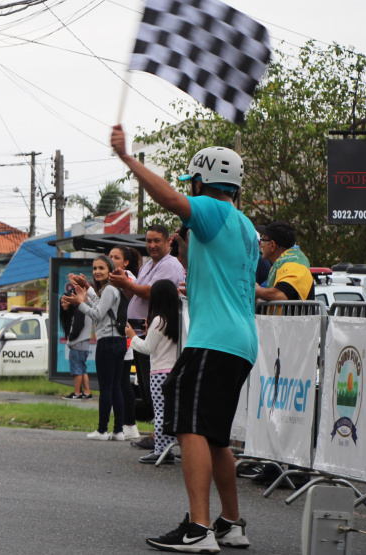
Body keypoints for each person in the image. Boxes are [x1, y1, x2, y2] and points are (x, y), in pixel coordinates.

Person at [112, 125, 257, 552]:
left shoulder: (213, 210)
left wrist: (129, 160)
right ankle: (230, 523)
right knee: (214, 435)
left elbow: (171, 199)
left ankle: (199, 528)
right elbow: (209, 278)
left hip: (214, 340)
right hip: (241, 341)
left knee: (189, 421)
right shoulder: (245, 226)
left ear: (201, 182)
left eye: (192, 184)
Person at [64, 255, 126, 440]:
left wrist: (80, 303)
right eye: (94, 268)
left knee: (107, 388)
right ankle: (118, 431)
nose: (97, 272)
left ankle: (102, 430)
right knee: (115, 387)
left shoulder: (109, 289)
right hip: (118, 341)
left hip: (108, 342)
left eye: (102, 268)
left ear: (110, 270)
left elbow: (97, 314)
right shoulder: (112, 290)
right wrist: (86, 297)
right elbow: (100, 308)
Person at [126, 280, 180, 464]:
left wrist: (133, 336)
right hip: (174, 370)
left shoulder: (158, 320)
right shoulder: (177, 317)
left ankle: (160, 451)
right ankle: (168, 450)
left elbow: (148, 348)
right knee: (170, 413)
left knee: (160, 413)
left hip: (159, 372)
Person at [108, 244, 144, 440]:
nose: (111, 259)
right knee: (119, 382)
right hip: (116, 336)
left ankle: (129, 424)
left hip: (125, 338)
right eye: (110, 256)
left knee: (122, 383)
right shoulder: (114, 280)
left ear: (126, 262)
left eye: (116, 257)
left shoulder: (128, 280)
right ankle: (125, 423)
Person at [255, 221, 314, 301]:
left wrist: (256, 290)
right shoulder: (283, 264)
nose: (261, 245)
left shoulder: (295, 265)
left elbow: (281, 295)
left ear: (272, 245)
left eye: (263, 240)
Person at [59, 290, 93, 400]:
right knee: (83, 369)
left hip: (78, 344)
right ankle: (87, 392)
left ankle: (77, 393)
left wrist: (70, 341)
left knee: (77, 369)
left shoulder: (80, 309)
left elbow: (77, 327)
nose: (64, 303)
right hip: (84, 343)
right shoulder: (85, 308)